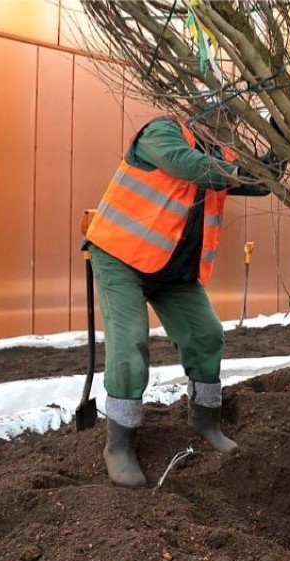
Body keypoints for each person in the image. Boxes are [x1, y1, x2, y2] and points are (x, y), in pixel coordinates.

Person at [85, 114, 277, 488]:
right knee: (129, 345)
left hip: (172, 268)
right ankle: (119, 445)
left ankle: (205, 420)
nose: (229, 127)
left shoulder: (221, 155)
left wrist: (281, 144)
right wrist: (240, 171)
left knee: (206, 335)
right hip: (122, 258)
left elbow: (261, 184)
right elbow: (185, 164)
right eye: (224, 117)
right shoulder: (163, 131)